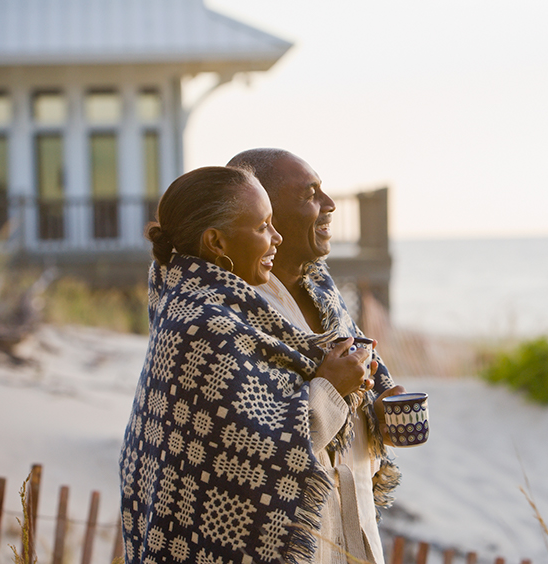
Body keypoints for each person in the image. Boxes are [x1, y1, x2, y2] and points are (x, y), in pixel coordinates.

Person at [118, 166, 374, 564]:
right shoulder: (203, 324)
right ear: (216, 241)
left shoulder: (223, 306)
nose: (277, 238)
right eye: (263, 226)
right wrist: (328, 386)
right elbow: (259, 452)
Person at [227, 149, 405, 564]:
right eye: (310, 194)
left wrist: (379, 408)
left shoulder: (324, 290)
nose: (329, 205)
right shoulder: (230, 314)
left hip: (353, 528)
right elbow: (248, 450)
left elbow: (360, 376)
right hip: (290, 543)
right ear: (262, 210)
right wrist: (329, 389)